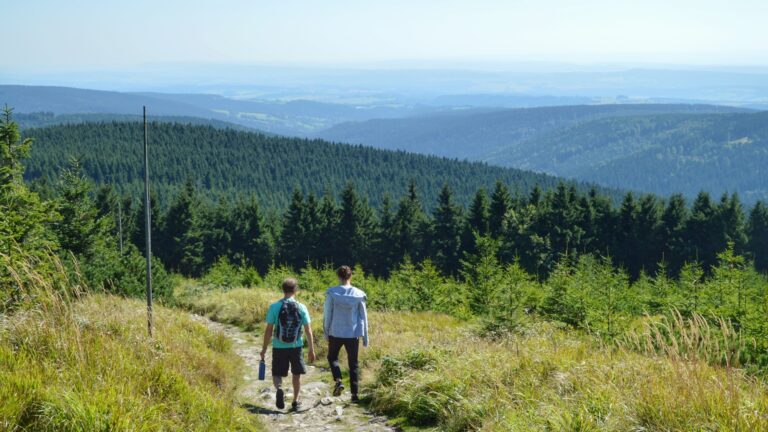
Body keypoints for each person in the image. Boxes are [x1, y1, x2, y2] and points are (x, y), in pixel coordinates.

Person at [260, 278, 316, 411]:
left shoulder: (274, 307)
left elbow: (268, 330)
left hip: (279, 346)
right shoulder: (301, 307)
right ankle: (296, 401)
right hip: (296, 346)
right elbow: (308, 330)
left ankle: (279, 388)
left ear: (283, 289)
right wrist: (311, 349)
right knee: (296, 374)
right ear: (296, 290)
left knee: (277, 373)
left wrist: (263, 349)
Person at [323, 265, 369, 402]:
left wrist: (326, 330)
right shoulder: (359, 294)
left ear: (338, 276)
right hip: (353, 333)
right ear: (351, 276)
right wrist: (365, 336)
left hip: (335, 332)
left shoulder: (332, 293)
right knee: (353, 363)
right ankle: (355, 395)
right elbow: (363, 316)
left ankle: (338, 380)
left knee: (332, 357)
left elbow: (328, 313)